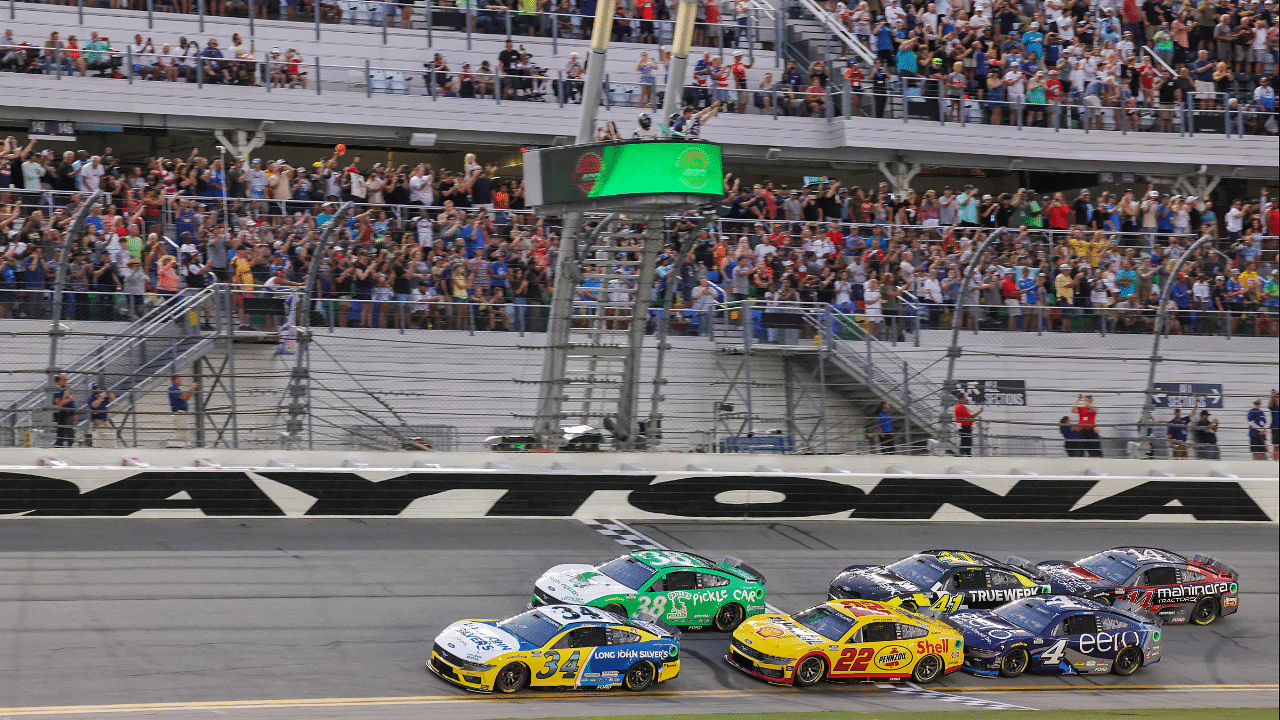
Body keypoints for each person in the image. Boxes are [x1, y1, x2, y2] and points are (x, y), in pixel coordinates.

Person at [169, 373, 197, 445]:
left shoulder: (177, 389)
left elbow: (187, 398)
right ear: (174, 380)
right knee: (182, 431)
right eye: (179, 379)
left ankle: (184, 444)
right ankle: (183, 445)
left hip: (182, 413)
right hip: (178, 412)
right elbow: (184, 397)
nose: (181, 380)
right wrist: (190, 388)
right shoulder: (172, 388)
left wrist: (192, 390)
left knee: (184, 430)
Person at [87, 383, 116, 448]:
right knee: (103, 437)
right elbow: (94, 405)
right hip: (97, 421)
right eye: (94, 388)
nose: (97, 389)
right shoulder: (91, 398)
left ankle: (90, 445)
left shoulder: (102, 397)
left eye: (97, 387)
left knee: (102, 437)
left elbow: (113, 399)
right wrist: (101, 397)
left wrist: (109, 392)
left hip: (104, 420)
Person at [52, 373, 77, 447]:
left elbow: (71, 403)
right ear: (59, 380)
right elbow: (59, 404)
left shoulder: (65, 389)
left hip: (68, 412)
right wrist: (67, 398)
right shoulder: (57, 389)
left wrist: (74, 413)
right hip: (61, 413)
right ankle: (60, 444)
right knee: (62, 431)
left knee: (69, 430)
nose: (65, 381)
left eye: (66, 379)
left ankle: (70, 444)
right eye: (63, 379)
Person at [953, 391, 982, 456]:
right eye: (964, 398)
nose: (966, 399)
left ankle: (962, 452)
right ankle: (967, 453)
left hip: (960, 425)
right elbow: (969, 417)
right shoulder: (961, 407)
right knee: (967, 439)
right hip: (965, 425)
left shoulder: (957, 406)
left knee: (963, 439)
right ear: (961, 399)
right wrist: (979, 412)